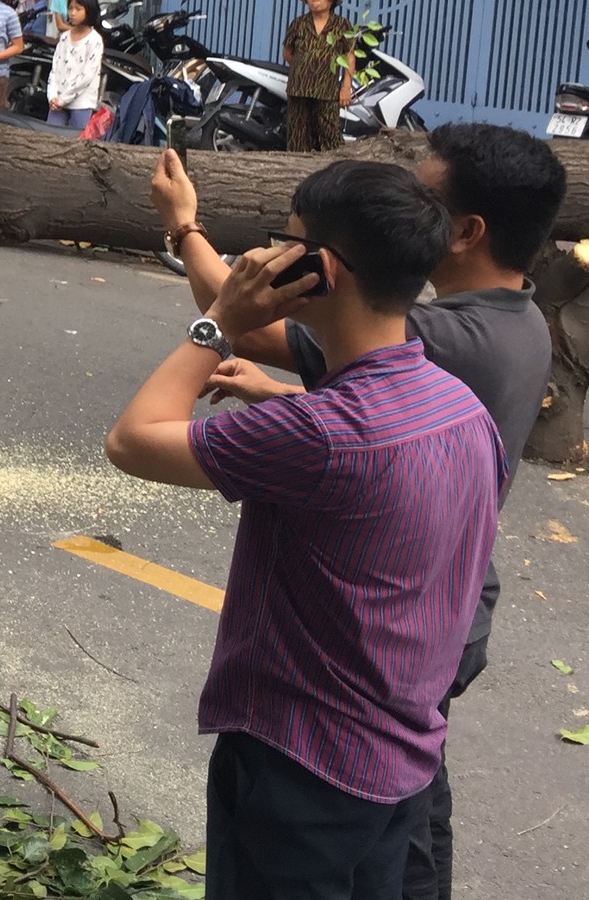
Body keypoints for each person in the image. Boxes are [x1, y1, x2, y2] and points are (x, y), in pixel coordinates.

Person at [152, 125, 566, 900]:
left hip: (343, 682)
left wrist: (188, 232)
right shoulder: (506, 333)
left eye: (427, 200)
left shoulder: (446, 338)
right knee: (407, 810)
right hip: (433, 607)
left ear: (465, 231)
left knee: (376, 831)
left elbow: (144, 433)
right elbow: (377, 421)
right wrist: (285, 399)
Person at [283, 0, 355, 152]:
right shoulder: (298, 24)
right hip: (299, 88)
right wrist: (306, 66)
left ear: (330, 1)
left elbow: (349, 56)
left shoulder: (342, 25)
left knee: (330, 133)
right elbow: (287, 53)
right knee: (297, 134)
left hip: (327, 89)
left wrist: (346, 86)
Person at [47, 0, 104, 129]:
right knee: (49, 137)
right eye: (70, 8)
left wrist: (63, 99)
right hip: (58, 99)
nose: (72, 13)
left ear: (89, 11)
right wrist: (52, 95)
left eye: (78, 9)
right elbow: (55, 67)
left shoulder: (94, 40)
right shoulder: (65, 37)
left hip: (81, 102)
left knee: (78, 140)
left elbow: (87, 75)